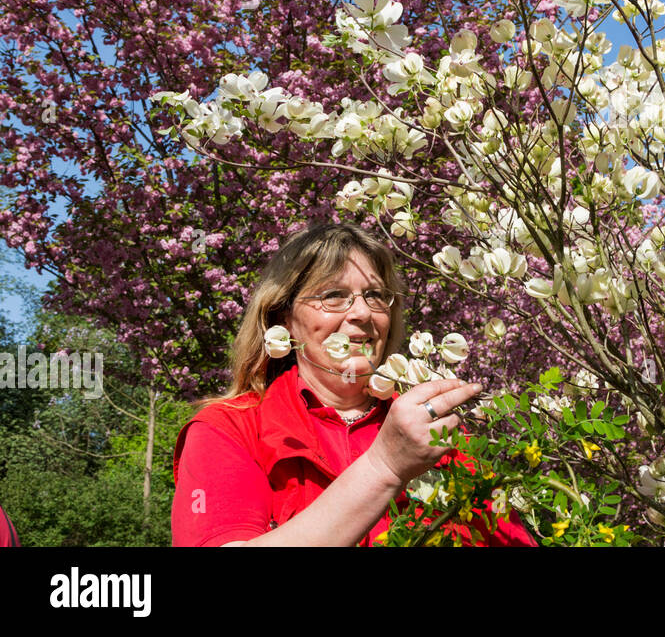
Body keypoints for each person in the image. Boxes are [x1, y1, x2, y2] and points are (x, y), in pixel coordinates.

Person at [171, 221, 534, 546]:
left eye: (375, 296)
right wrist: (385, 467)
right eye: (333, 295)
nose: (361, 313)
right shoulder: (229, 428)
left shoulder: (431, 430)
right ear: (285, 318)